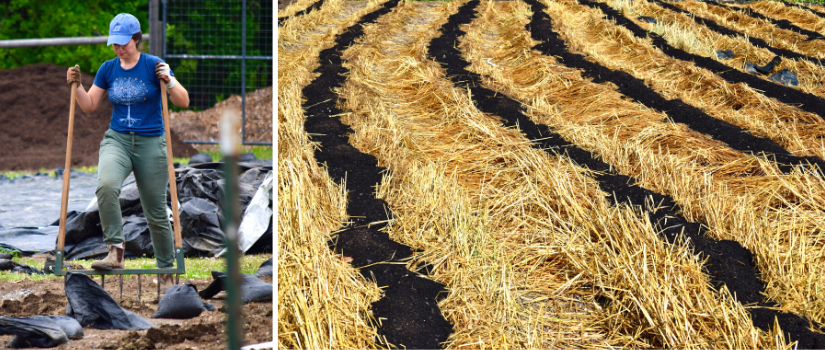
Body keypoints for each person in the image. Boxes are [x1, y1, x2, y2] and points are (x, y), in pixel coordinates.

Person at [65, 13, 189, 297]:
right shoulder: (108, 69)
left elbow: (183, 100)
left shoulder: (154, 65)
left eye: (124, 43)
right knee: (106, 186)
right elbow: (89, 106)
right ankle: (115, 251)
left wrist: (169, 81)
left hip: (151, 142)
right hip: (117, 140)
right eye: (115, 44)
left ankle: (167, 273)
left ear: (136, 39)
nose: (119, 48)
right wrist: (77, 87)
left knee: (155, 210)